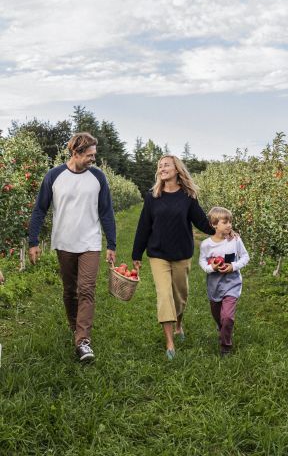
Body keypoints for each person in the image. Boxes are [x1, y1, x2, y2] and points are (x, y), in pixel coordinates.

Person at [28, 132, 116, 362]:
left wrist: (112, 244)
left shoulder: (98, 177)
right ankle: (75, 327)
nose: (93, 159)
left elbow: (106, 212)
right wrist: (33, 241)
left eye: (94, 155)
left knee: (86, 288)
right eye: (89, 155)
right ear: (75, 153)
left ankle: (83, 341)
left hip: (90, 242)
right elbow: (40, 210)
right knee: (70, 290)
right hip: (64, 242)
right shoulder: (54, 176)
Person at [132, 155, 215, 360]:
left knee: (180, 295)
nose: (162, 168)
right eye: (160, 166)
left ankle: (179, 325)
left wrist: (223, 231)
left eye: (166, 165)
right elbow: (144, 226)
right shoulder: (153, 196)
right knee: (164, 295)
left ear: (177, 170)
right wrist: (137, 253)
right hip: (158, 253)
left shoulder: (188, 196)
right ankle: (169, 343)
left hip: (181, 253)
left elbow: (202, 223)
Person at [199, 206, 249, 356]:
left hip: (232, 284)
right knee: (218, 316)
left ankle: (225, 346)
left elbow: (245, 257)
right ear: (214, 224)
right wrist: (211, 267)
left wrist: (233, 266)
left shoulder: (235, 240)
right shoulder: (206, 244)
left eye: (230, 222)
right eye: (225, 222)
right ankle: (223, 329)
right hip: (215, 287)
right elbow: (202, 262)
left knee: (227, 317)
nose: (229, 225)